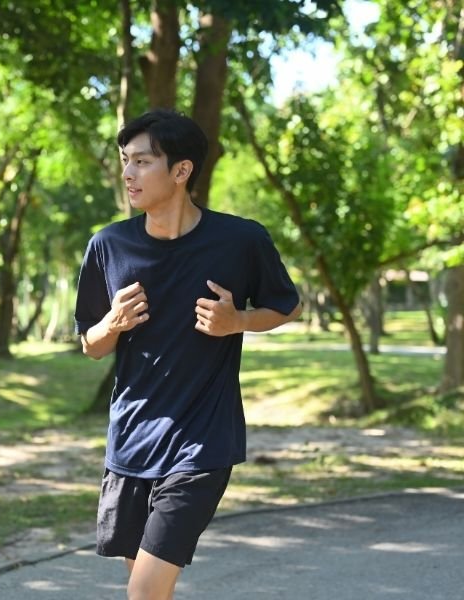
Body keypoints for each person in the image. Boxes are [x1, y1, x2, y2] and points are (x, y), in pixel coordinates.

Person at [74, 109, 302, 600]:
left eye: (142, 161)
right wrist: (111, 324)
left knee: (144, 593)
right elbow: (90, 346)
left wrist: (238, 321)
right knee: (148, 588)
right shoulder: (108, 246)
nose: (129, 173)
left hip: (202, 443)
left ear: (181, 171)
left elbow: (287, 305)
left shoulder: (241, 240)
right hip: (130, 444)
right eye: (124, 161)